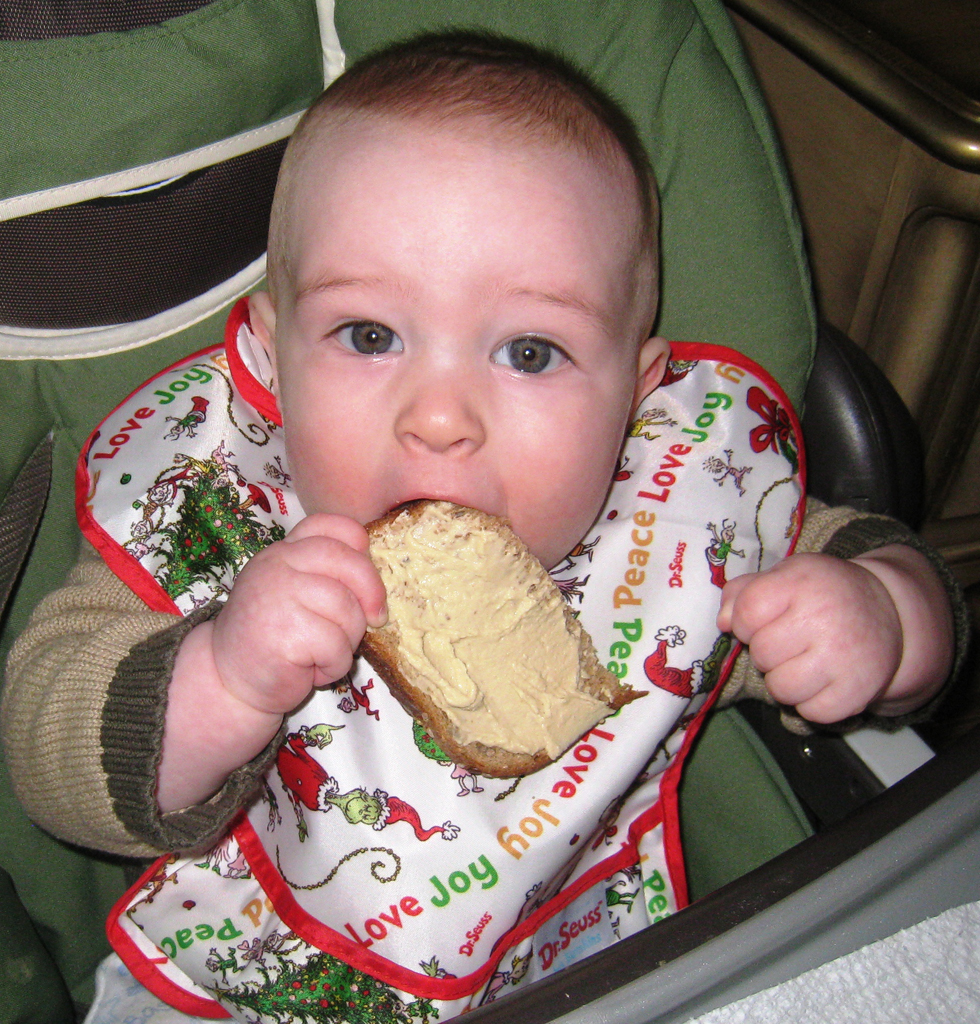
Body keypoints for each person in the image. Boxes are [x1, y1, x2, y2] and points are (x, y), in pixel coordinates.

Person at [1, 30, 963, 1021]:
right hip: (236, 983)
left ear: (635, 395)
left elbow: (869, 571)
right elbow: (43, 741)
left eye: (531, 352)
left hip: (584, 972)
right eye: (370, 335)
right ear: (272, 357)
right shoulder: (213, 511)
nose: (440, 417)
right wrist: (222, 678)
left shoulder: (671, 519)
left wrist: (886, 620)